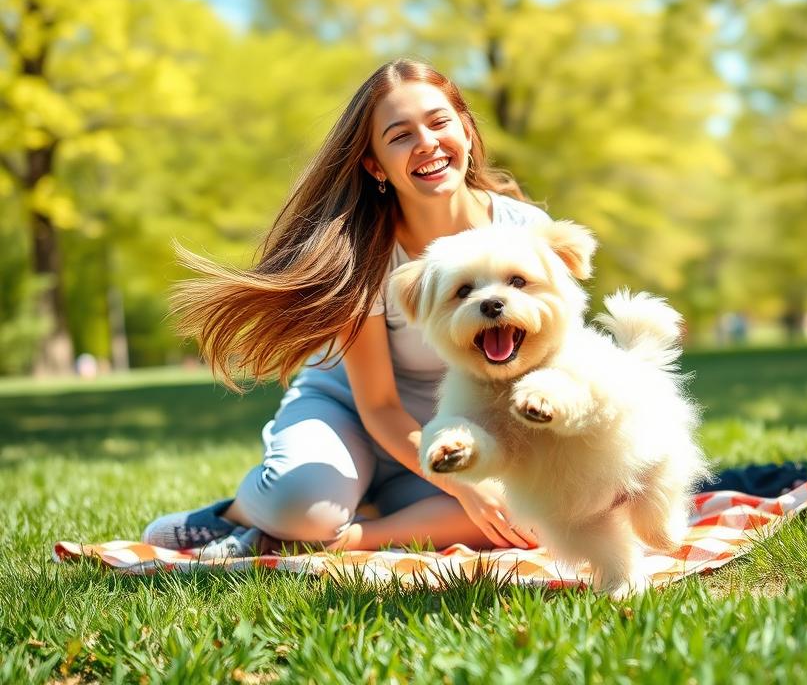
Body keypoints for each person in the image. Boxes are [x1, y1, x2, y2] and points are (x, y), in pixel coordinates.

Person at [143, 59, 546, 556]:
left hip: (460, 429)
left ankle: (340, 537)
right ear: (375, 165)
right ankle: (238, 513)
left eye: (439, 122)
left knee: (531, 511)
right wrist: (465, 487)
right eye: (399, 136)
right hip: (351, 414)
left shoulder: (525, 231)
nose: (425, 142)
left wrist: (477, 482)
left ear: (465, 128)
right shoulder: (363, 250)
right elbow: (380, 407)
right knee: (305, 507)